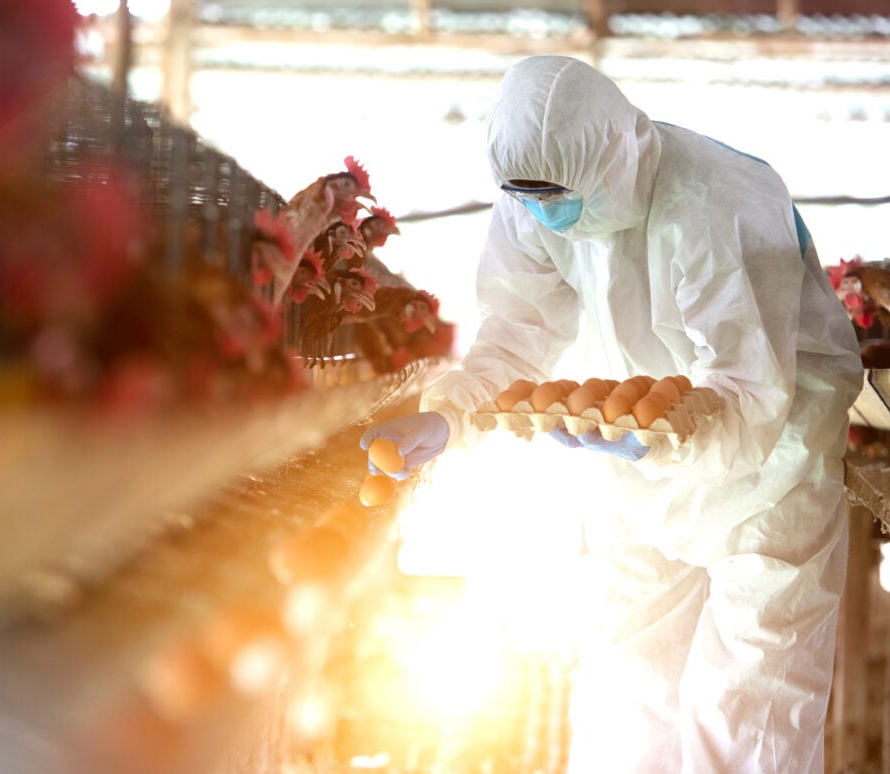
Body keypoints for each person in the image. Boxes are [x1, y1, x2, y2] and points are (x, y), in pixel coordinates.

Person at [359, 55, 863, 772]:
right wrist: (448, 418)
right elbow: (517, 331)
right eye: (524, 197)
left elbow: (749, 391)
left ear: (610, 155)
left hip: (771, 461)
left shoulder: (716, 201)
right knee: (629, 676)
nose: (541, 212)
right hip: (638, 460)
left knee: (750, 701)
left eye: (552, 196)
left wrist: (660, 432)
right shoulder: (536, 196)